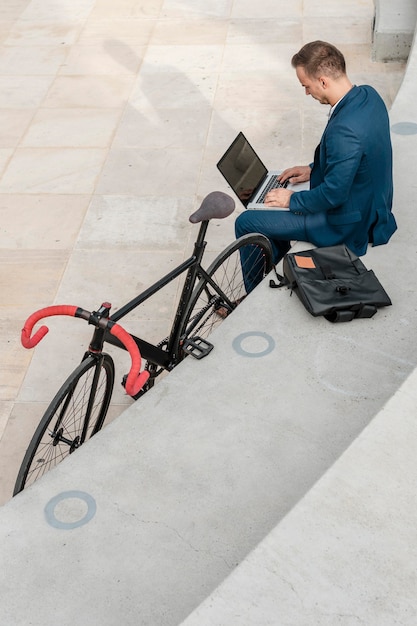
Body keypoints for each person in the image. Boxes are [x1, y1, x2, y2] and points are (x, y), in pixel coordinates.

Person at [235, 40, 397, 292]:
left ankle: (250, 299)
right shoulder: (369, 95)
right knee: (270, 212)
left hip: (348, 223)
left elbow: (334, 193)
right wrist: (314, 169)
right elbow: (357, 156)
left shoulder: (343, 130)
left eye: (306, 86)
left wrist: (291, 200)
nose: (307, 93)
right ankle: (278, 269)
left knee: (246, 221)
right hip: (372, 206)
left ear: (322, 81)